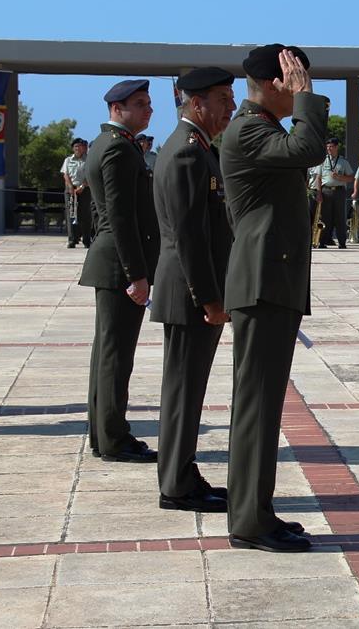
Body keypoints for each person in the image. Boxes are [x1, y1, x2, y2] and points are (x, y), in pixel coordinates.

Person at [220, 44, 328, 552]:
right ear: (275, 82)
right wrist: (307, 99)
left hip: (272, 281)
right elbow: (308, 151)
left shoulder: (263, 127)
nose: (301, 85)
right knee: (256, 406)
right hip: (263, 283)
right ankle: (248, 521)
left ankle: (258, 511)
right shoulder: (249, 129)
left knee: (262, 407)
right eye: (296, 77)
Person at [150, 66, 236, 513]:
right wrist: (209, 298)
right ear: (196, 102)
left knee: (187, 389)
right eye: (223, 99)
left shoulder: (199, 149)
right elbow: (189, 236)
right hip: (190, 295)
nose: (232, 107)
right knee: (184, 390)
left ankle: (182, 474)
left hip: (191, 292)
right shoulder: (186, 153)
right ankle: (177, 485)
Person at [79, 79, 159, 462]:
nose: (148, 109)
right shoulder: (117, 149)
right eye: (140, 103)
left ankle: (104, 433)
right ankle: (113, 438)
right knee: (115, 356)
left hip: (112, 260)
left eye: (148, 102)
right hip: (118, 264)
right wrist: (136, 273)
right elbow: (119, 217)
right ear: (117, 108)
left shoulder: (110, 145)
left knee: (108, 353)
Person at [309, 137, 354, 249]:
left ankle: (342, 242)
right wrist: (319, 193)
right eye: (328, 147)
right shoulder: (323, 160)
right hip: (326, 191)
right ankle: (322, 241)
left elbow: (351, 178)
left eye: (331, 146)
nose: (329, 149)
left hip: (339, 191)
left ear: (336, 147)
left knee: (340, 217)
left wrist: (339, 177)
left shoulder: (343, 162)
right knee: (325, 218)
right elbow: (318, 178)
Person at [61, 137, 91, 248]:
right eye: (76, 146)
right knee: (71, 215)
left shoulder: (88, 159)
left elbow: (90, 175)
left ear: (84, 148)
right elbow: (65, 174)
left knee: (85, 215)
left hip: (85, 189)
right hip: (71, 190)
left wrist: (82, 186)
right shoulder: (68, 160)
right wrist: (70, 187)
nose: (78, 148)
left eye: (80, 146)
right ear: (73, 148)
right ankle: (72, 239)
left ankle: (87, 240)